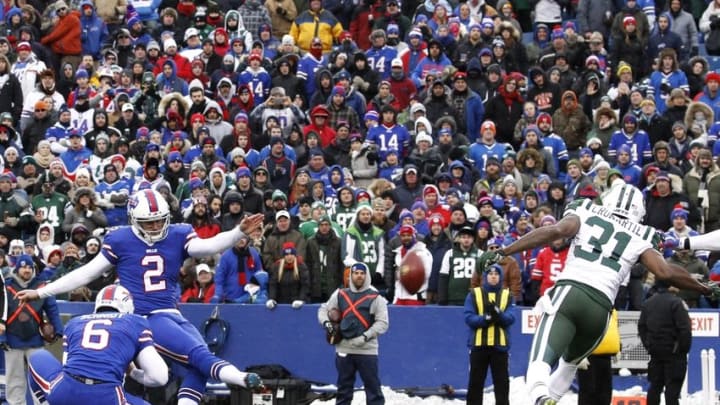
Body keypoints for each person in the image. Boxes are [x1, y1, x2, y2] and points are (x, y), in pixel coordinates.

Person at [477, 180, 717, 405]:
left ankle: (540, 395)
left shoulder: (586, 210)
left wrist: (505, 251)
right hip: (601, 312)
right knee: (568, 366)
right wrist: (703, 286)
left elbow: (556, 231)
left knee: (540, 360)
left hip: (571, 292)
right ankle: (547, 397)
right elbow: (664, 272)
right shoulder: (641, 233)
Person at [17, 189, 266, 405]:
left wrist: (236, 233)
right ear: (134, 221)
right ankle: (242, 378)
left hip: (170, 313)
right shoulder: (121, 239)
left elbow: (206, 247)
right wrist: (41, 291)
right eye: (149, 223)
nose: (156, 227)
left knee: (197, 366)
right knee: (200, 358)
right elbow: (86, 273)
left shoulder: (178, 233)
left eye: (159, 221)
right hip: (142, 318)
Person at [27, 284, 168, 405]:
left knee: (37, 356)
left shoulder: (75, 322)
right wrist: (133, 372)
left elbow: (66, 366)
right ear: (128, 305)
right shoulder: (135, 321)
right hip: (107, 396)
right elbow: (159, 377)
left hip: (67, 392)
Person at [317, 262, 389, 405]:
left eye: (362, 273)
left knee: (373, 389)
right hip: (344, 349)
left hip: (367, 350)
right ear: (351, 275)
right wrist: (327, 324)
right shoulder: (340, 294)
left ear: (366, 275)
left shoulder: (375, 297)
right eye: (356, 273)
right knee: (343, 389)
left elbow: (383, 323)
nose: (359, 276)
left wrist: (365, 337)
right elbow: (323, 310)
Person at [463, 264, 516, 405]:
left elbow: (511, 318)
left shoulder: (507, 295)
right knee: (475, 384)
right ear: (485, 277)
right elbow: (468, 317)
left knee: (502, 385)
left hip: (500, 347)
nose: (493, 276)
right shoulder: (474, 294)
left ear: (501, 277)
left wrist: (498, 314)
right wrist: (485, 319)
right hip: (479, 346)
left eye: (496, 274)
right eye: (490, 274)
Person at [638, 280, 692, 405]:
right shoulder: (676, 303)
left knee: (655, 388)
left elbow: (642, 327)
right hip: (674, 353)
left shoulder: (648, 303)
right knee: (672, 390)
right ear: (670, 285)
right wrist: (682, 349)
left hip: (655, 352)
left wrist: (649, 345)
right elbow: (685, 329)